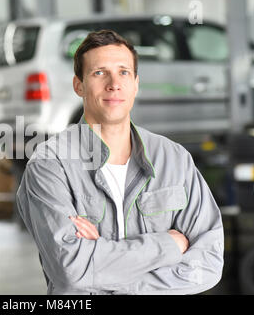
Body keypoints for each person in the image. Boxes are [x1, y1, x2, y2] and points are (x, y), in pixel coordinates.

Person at [16, 30, 224, 295]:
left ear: (136, 83)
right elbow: (72, 271)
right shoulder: (50, 165)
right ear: (78, 85)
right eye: (99, 73)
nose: (114, 84)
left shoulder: (174, 159)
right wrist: (169, 246)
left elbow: (209, 263)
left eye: (124, 72)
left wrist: (109, 275)